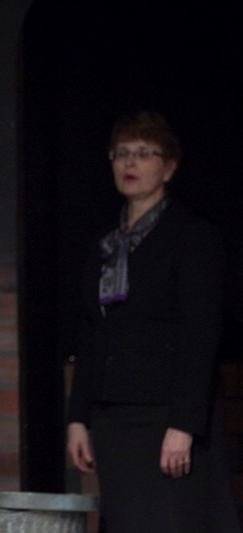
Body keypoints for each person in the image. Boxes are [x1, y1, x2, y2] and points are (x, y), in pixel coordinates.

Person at [66, 111, 239, 532]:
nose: (130, 163)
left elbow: (201, 335)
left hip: (167, 419)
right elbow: (92, 334)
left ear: (169, 167)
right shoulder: (105, 245)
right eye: (122, 153)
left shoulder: (192, 238)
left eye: (144, 153)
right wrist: (77, 418)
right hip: (114, 421)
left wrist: (183, 425)